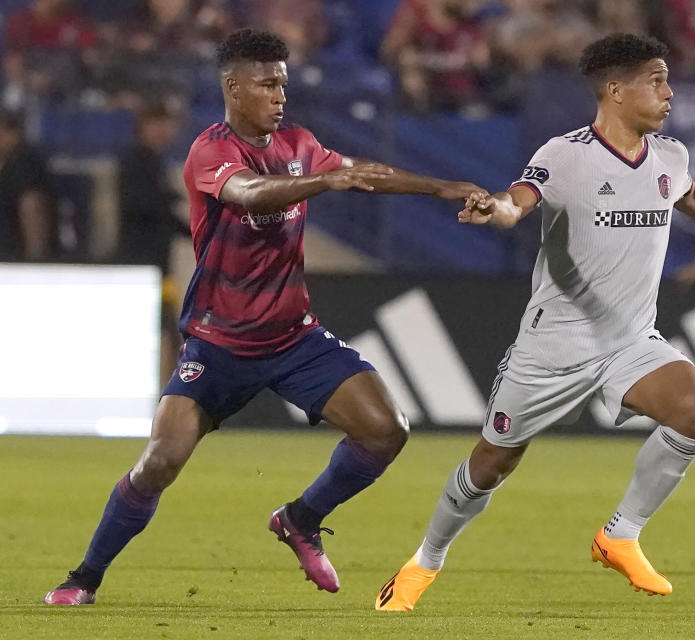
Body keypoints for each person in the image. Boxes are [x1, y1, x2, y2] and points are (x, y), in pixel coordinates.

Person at [43, 28, 485, 606]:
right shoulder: (211, 151)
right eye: (267, 84)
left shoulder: (300, 142)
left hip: (292, 337)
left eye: (284, 83)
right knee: (159, 462)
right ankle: (85, 577)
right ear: (233, 87)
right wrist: (325, 179)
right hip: (216, 344)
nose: (280, 94)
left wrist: (443, 188)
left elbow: (364, 171)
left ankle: (300, 519)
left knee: (386, 429)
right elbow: (249, 194)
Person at [375, 32, 695, 611]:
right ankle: (424, 561)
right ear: (615, 90)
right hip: (552, 347)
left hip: (629, 341)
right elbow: (518, 200)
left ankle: (620, 535)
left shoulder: (668, 157)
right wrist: (495, 211)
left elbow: (694, 195)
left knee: (693, 410)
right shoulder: (566, 154)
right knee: (490, 465)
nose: (669, 92)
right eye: (656, 80)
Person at [114, 101, 191, 379]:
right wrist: (169, 200)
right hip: (140, 264)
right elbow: (143, 206)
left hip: (158, 266)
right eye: (158, 124)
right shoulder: (135, 160)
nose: (165, 131)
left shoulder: (154, 162)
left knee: (167, 329)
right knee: (158, 331)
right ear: (144, 127)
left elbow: (165, 216)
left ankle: (168, 393)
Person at [0, 108, 57, 261]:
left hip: (15, 257)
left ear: (10, 132)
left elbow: (32, 205)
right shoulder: (10, 160)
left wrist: (34, 256)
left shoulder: (24, 161)